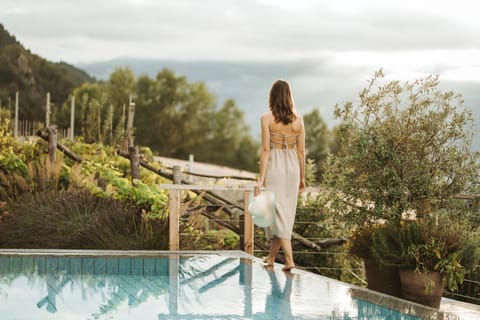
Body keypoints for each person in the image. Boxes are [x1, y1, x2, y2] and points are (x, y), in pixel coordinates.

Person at [256, 79, 306, 272]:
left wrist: (261, 178)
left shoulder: (266, 118)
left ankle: (289, 259)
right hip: (293, 167)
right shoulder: (299, 121)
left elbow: (266, 149)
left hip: (275, 166)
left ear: (272, 96)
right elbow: (301, 151)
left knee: (277, 213)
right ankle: (270, 258)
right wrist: (302, 177)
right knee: (283, 212)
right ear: (289, 96)